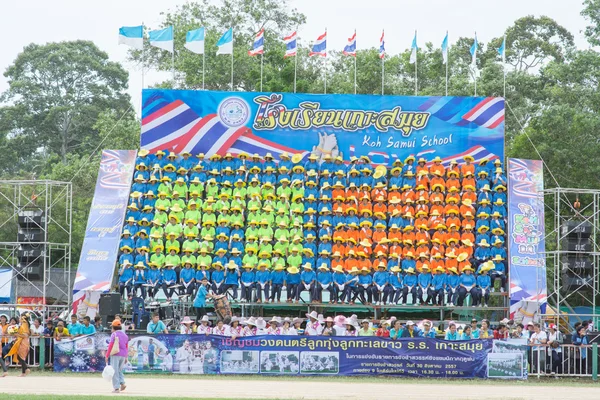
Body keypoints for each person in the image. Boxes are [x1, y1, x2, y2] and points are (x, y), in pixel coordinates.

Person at [106, 319, 129, 393]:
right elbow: (126, 346)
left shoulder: (114, 334)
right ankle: (122, 383)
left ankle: (116, 388)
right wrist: (126, 356)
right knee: (119, 370)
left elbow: (111, 345)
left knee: (114, 371)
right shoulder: (125, 335)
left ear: (113, 327)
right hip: (123, 355)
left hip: (115, 354)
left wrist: (107, 355)